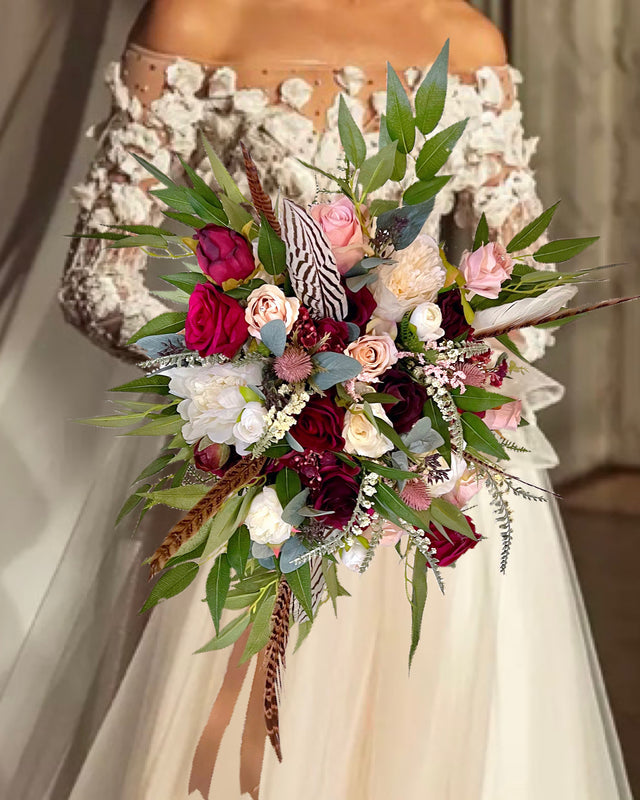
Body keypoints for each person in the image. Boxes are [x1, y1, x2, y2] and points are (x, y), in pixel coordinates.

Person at [58, 1, 631, 797]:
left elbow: (527, 289)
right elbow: (96, 280)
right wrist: (255, 385)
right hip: (262, 475)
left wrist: (426, 383)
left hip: (436, 480)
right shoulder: (195, 22)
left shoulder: (467, 39)